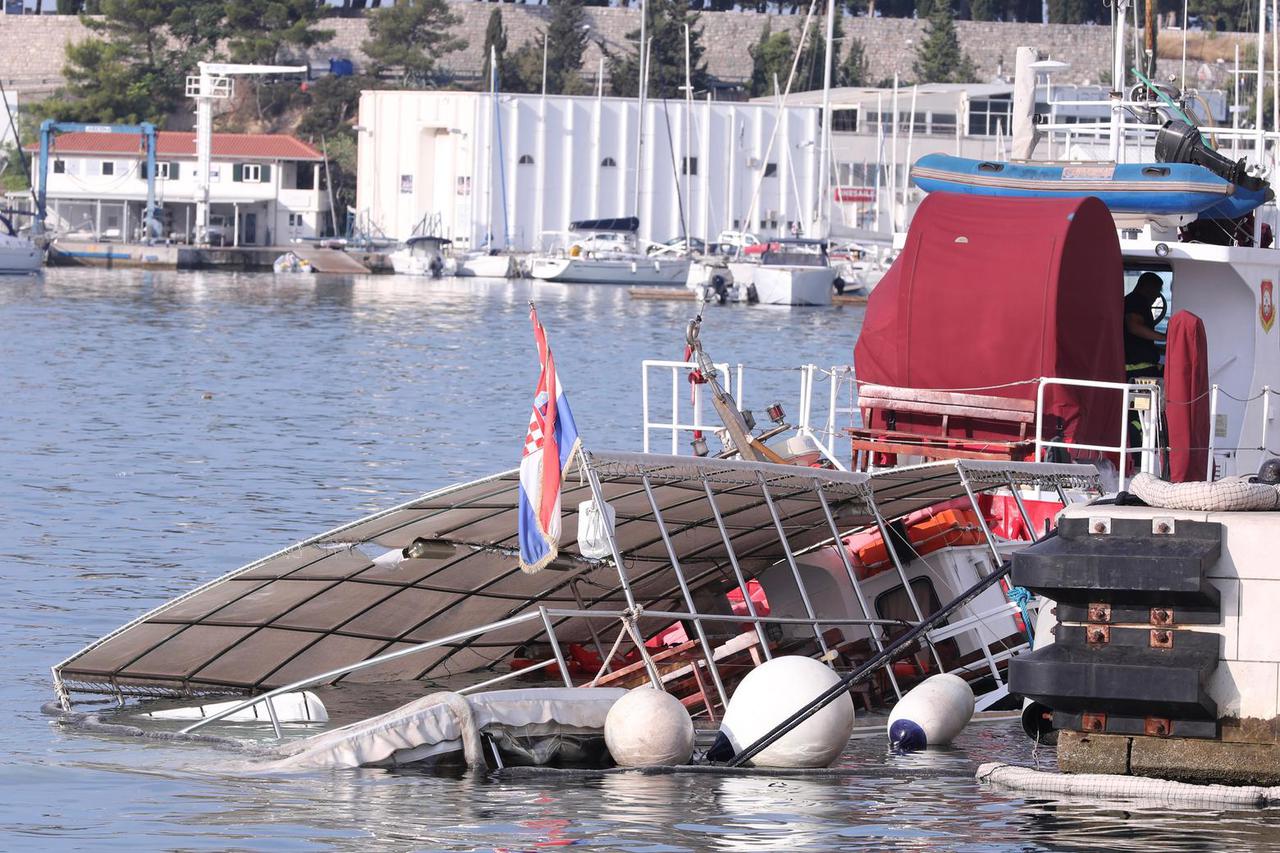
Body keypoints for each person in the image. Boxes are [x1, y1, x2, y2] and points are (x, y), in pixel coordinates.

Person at [1124, 272, 1166, 380]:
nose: (1158, 295)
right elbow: (1134, 327)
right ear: (1149, 287)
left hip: (1138, 367)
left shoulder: (1132, 301)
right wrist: (1166, 338)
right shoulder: (1136, 300)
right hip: (1136, 368)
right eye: (1158, 290)